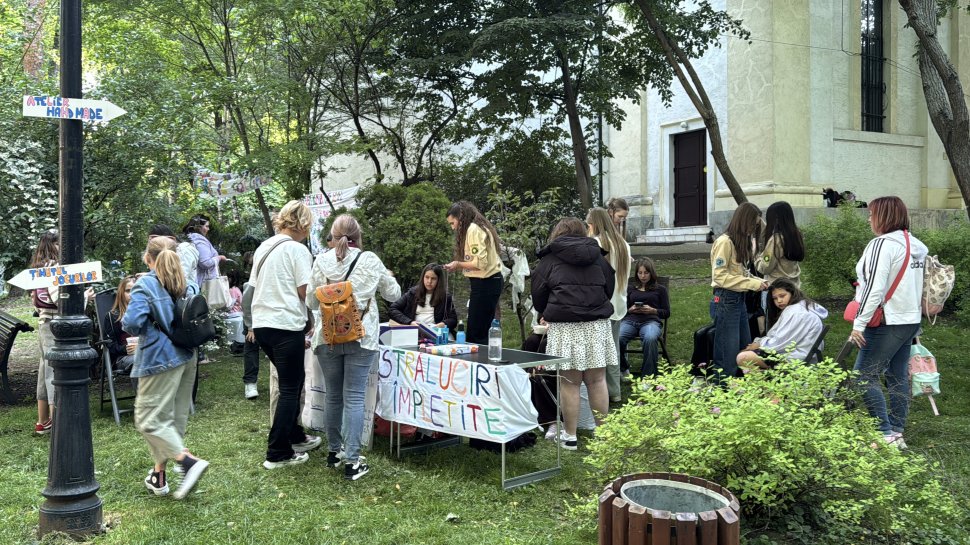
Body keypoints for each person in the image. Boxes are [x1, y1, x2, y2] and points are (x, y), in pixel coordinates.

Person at [307, 214, 401, 481]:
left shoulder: (321, 261)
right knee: (355, 397)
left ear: (333, 236)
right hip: (361, 337)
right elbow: (393, 294)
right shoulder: (370, 260)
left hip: (327, 338)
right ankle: (352, 460)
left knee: (333, 396)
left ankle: (334, 452)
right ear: (358, 237)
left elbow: (311, 303)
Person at [122, 237, 208, 499]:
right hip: (187, 356)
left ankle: (187, 461)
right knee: (173, 419)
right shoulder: (188, 282)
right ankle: (159, 474)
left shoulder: (145, 285)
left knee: (149, 419)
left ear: (149, 259)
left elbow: (132, 323)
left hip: (158, 358)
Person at [531, 217, 617, 451]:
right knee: (597, 380)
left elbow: (538, 293)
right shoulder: (599, 256)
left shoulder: (548, 259)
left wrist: (547, 309)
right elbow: (609, 287)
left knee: (569, 383)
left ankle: (570, 436)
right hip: (596, 323)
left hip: (565, 325)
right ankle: (604, 435)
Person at [848, 196, 926, 449]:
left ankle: (884, 434)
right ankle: (896, 431)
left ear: (883, 216)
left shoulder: (881, 244)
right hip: (910, 319)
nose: (869, 219)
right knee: (897, 375)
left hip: (887, 320)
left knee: (863, 377)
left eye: (872, 214)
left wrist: (859, 324)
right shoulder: (915, 245)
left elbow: (873, 287)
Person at [249, 201, 322, 469]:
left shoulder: (264, 247)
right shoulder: (297, 250)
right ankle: (278, 452)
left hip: (263, 325)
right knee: (291, 387)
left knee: (293, 381)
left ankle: (295, 435)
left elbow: (254, 287)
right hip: (285, 324)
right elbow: (306, 292)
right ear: (303, 224)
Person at [710, 202, 769, 381]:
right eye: (753, 224)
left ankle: (742, 388)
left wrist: (759, 281)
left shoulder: (738, 242)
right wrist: (752, 284)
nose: (753, 229)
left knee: (745, 346)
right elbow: (720, 277)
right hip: (727, 299)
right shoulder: (724, 242)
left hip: (738, 300)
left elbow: (741, 272)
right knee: (728, 352)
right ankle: (723, 390)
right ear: (744, 221)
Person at [586, 207, 631, 401]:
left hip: (600, 304)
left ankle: (599, 392)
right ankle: (615, 393)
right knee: (613, 350)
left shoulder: (596, 243)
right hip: (619, 302)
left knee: (597, 352)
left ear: (593, 224)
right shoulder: (623, 244)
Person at [444, 201, 502, 345]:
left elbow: (480, 264)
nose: (453, 228)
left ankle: (479, 364)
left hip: (486, 283)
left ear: (461, 218)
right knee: (479, 330)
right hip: (486, 283)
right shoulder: (477, 227)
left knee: (476, 333)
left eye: (453, 223)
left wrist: (458, 264)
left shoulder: (473, 229)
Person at [736, 279, 828, 371]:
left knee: (743, 358)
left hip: (797, 357)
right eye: (775, 298)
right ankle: (763, 383)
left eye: (782, 296)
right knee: (747, 357)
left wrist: (759, 344)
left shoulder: (797, 312)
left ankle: (764, 384)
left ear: (792, 293)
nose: (779, 301)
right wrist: (758, 343)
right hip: (797, 353)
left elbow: (781, 342)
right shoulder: (797, 309)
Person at [756, 201, 805, 330]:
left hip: (776, 288)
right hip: (794, 286)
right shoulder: (796, 234)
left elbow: (765, 266)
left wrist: (757, 258)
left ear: (775, 219)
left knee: (775, 325)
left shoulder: (776, 239)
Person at [619, 258, 670, 378]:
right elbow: (622, 311)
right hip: (630, 321)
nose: (643, 276)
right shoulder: (630, 288)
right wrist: (630, 310)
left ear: (651, 273)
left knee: (650, 337)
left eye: (646, 273)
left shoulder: (660, 289)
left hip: (651, 322)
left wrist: (653, 310)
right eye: (640, 273)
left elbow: (666, 312)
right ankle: (623, 368)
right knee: (617, 337)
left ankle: (648, 376)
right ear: (636, 273)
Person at [30, 229, 59, 434]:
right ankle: (58, 422)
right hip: (53, 324)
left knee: (44, 370)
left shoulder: (38, 268)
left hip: (43, 322)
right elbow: (59, 299)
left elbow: (35, 302)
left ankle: (43, 421)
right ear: (54, 245)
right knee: (53, 371)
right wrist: (84, 295)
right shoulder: (55, 268)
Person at [388, 263, 458, 331]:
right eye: (427, 277)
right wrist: (410, 322)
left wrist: (442, 324)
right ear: (423, 277)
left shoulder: (445, 297)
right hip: (414, 331)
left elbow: (453, 319)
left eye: (433, 278)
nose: (429, 281)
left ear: (439, 280)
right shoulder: (412, 293)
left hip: (436, 331)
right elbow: (393, 309)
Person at [101, 275, 137, 374]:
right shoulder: (112, 316)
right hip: (124, 357)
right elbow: (111, 345)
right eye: (128, 291)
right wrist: (126, 349)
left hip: (147, 352)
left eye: (135, 290)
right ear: (121, 293)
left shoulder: (147, 312)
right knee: (140, 360)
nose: (132, 294)